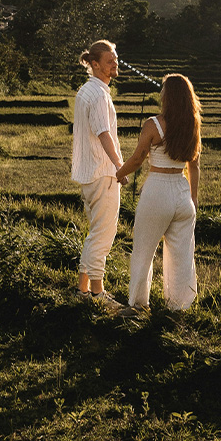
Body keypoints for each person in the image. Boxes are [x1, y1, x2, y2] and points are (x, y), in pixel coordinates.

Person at [115, 73, 201, 312]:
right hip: (183, 192)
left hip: (158, 190)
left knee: (143, 249)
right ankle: (179, 306)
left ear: (168, 97)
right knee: (182, 256)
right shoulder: (193, 125)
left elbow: (137, 159)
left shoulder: (153, 124)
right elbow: (194, 165)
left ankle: (138, 304)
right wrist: (193, 199)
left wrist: (119, 174)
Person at [71, 39, 127, 311]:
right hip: (103, 172)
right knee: (104, 234)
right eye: (110, 61)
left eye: (116, 59)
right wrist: (120, 166)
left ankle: (82, 289)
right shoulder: (100, 95)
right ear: (95, 64)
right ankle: (97, 293)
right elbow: (104, 133)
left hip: (89, 173)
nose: (115, 64)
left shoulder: (85, 91)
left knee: (95, 232)